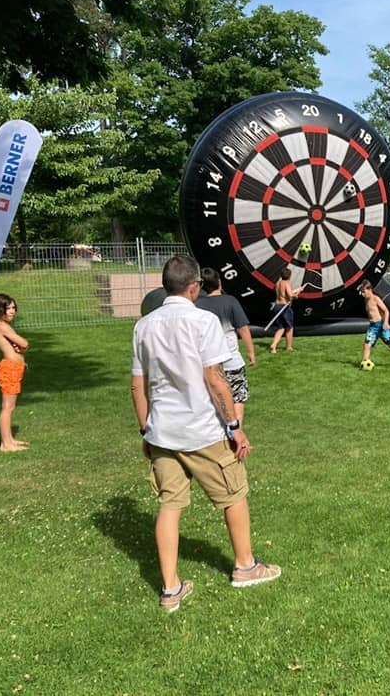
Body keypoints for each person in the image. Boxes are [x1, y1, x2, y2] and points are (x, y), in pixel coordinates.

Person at [131, 255, 280, 612]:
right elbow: (214, 378)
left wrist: (146, 430)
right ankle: (245, 566)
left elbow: (138, 385)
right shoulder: (204, 321)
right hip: (203, 431)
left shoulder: (143, 326)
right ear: (194, 287)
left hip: (162, 433)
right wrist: (234, 427)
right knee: (234, 495)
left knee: (170, 506)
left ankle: (171, 589)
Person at [196, 267, 256, 426]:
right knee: (237, 398)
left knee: (213, 401)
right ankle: (237, 430)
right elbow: (243, 328)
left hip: (207, 364)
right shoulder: (230, 301)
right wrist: (251, 352)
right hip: (232, 361)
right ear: (219, 283)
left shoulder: (197, 305)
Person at [0, 293, 29, 452]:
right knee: (8, 407)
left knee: (10, 406)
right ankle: (6, 444)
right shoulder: (1, 326)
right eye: (8, 308)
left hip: (14, 368)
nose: (12, 311)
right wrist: (23, 346)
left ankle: (10, 439)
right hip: (9, 369)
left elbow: (17, 346)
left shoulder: (2, 325)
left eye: (13, 308)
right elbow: (24, 343)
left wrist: (19, 349)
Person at [358, 280, 390, 368]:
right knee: (367, 344)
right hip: (372, 326)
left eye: (364, 292)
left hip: (381, 325)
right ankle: (365, 362)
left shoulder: (376, 299)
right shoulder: (366, 300)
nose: (362, 294)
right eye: (362, 292)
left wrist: (385, 322)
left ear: (369, 289)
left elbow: (386, 311)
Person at [268, 268, 301, 353]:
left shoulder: (278, 283)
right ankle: (289, 347)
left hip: (277, 306)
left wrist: (297, 290)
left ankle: (273, 345)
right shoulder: (287, 283)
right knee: (289, 327)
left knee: (281, 328)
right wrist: (296, 295)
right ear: (290, 276)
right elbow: (290, 295)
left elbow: (283, 293)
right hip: (284, 308)